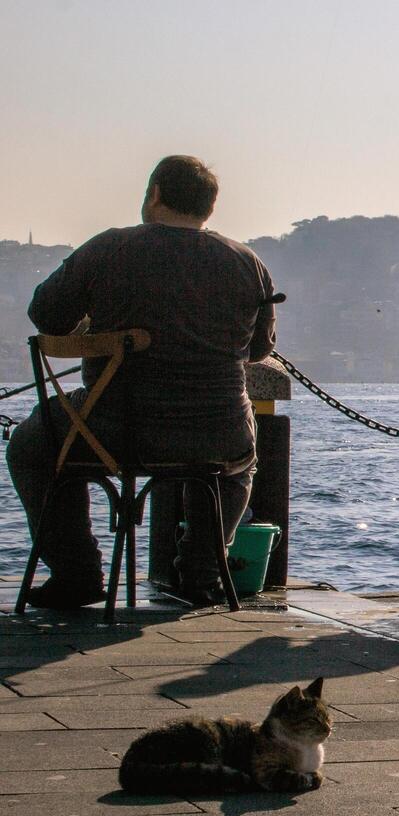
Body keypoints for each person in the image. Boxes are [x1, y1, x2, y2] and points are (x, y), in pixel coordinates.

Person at [9, 155, 276, 608]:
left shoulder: (109, 248)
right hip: (218, 432)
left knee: (31, 444)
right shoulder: (246, 261)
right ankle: (200, 574)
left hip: (113, 432)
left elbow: (46, 314)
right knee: (236, 465)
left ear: (154, 194)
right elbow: (260, 349)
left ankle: (78, 573)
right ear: (209, 207)